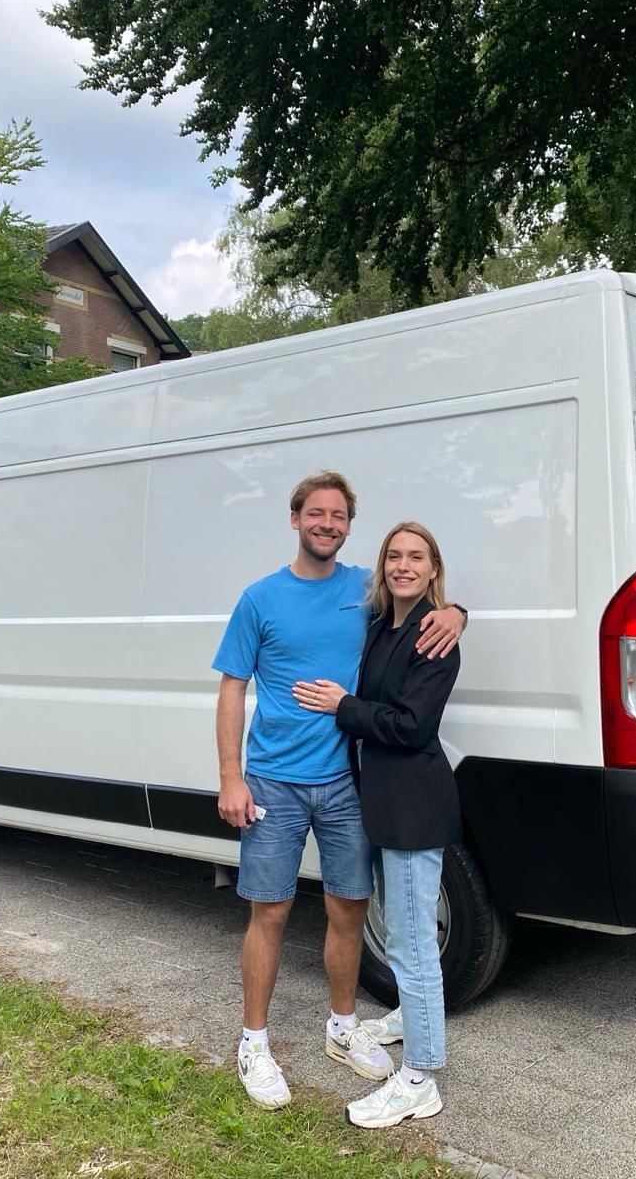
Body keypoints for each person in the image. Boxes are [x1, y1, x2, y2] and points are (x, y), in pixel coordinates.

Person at [212, 473, 466, 1110]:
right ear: (295, 518)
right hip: (273, 781)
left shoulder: (366, 590)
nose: (327, 523)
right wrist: (230, 778)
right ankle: (254, 1043)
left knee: (349, 909)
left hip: (347, 784)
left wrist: (459, 613)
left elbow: (425, 606)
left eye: (339, 516)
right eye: (316, 513)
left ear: (350, 526)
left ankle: (342, 1027)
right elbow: (231, 690)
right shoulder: (259, 599)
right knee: (269, 911)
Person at [294, 521, 461, 1129]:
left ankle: (420, 1077)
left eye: (417, 557)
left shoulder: (436, 637)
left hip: (414, 806)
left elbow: (412, 726)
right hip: (382, 804)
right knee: (401, 929)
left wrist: (344, 707)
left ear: (433, 568)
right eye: (394, 556)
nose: (403, 566)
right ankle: (408, 1022)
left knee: (411, 942)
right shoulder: (381, 625)